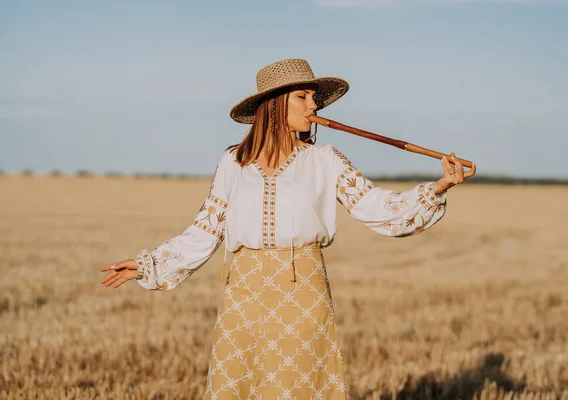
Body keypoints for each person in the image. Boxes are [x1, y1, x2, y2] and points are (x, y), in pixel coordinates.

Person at [99, 58, 476, 399]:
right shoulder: (234, 162)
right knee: (235, 386)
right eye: (303, 97)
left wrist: (438, 187)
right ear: (275, 105)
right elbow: (204, 231)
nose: (314, 106)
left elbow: (380, 209)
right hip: (242, 292)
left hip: (303, 290)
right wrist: (148, 264)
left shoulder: (326, 161)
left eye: (314, 98)